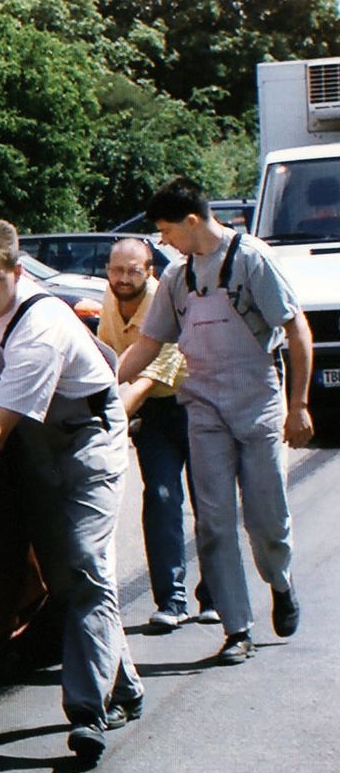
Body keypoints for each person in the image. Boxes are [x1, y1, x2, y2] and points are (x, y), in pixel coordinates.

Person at [0, 219, 143, 760]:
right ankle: (124, 683)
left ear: (18, 272)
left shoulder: (39, 327)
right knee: (68, 578)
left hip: (87, 437)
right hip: (39, 440)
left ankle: (87, 713)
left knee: (86, 564)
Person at [116, 177, 314, 666]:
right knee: (214, 523)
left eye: (166, 230)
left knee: (265, 516)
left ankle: (280, 580)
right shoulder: (177, 278)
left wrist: (299, 405)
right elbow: (148, 343)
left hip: (257, 401)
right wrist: (103, 384)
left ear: (190, 222)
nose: (161, 241)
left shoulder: (252, 260)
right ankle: (236, 628)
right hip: (203, 406)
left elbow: (295, 327)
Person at [99, 237, 215, 630]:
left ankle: (214, 596)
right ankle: (171, 599)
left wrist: (107, 417)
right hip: (155, 416)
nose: (124, 278)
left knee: (207, 502)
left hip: (193, 403)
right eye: (117, 269)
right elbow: (108, 361)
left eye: (134, 270)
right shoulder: (108, 300)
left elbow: (150, 374)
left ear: (149, 270)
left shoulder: (163, 299)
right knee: (161, 498)